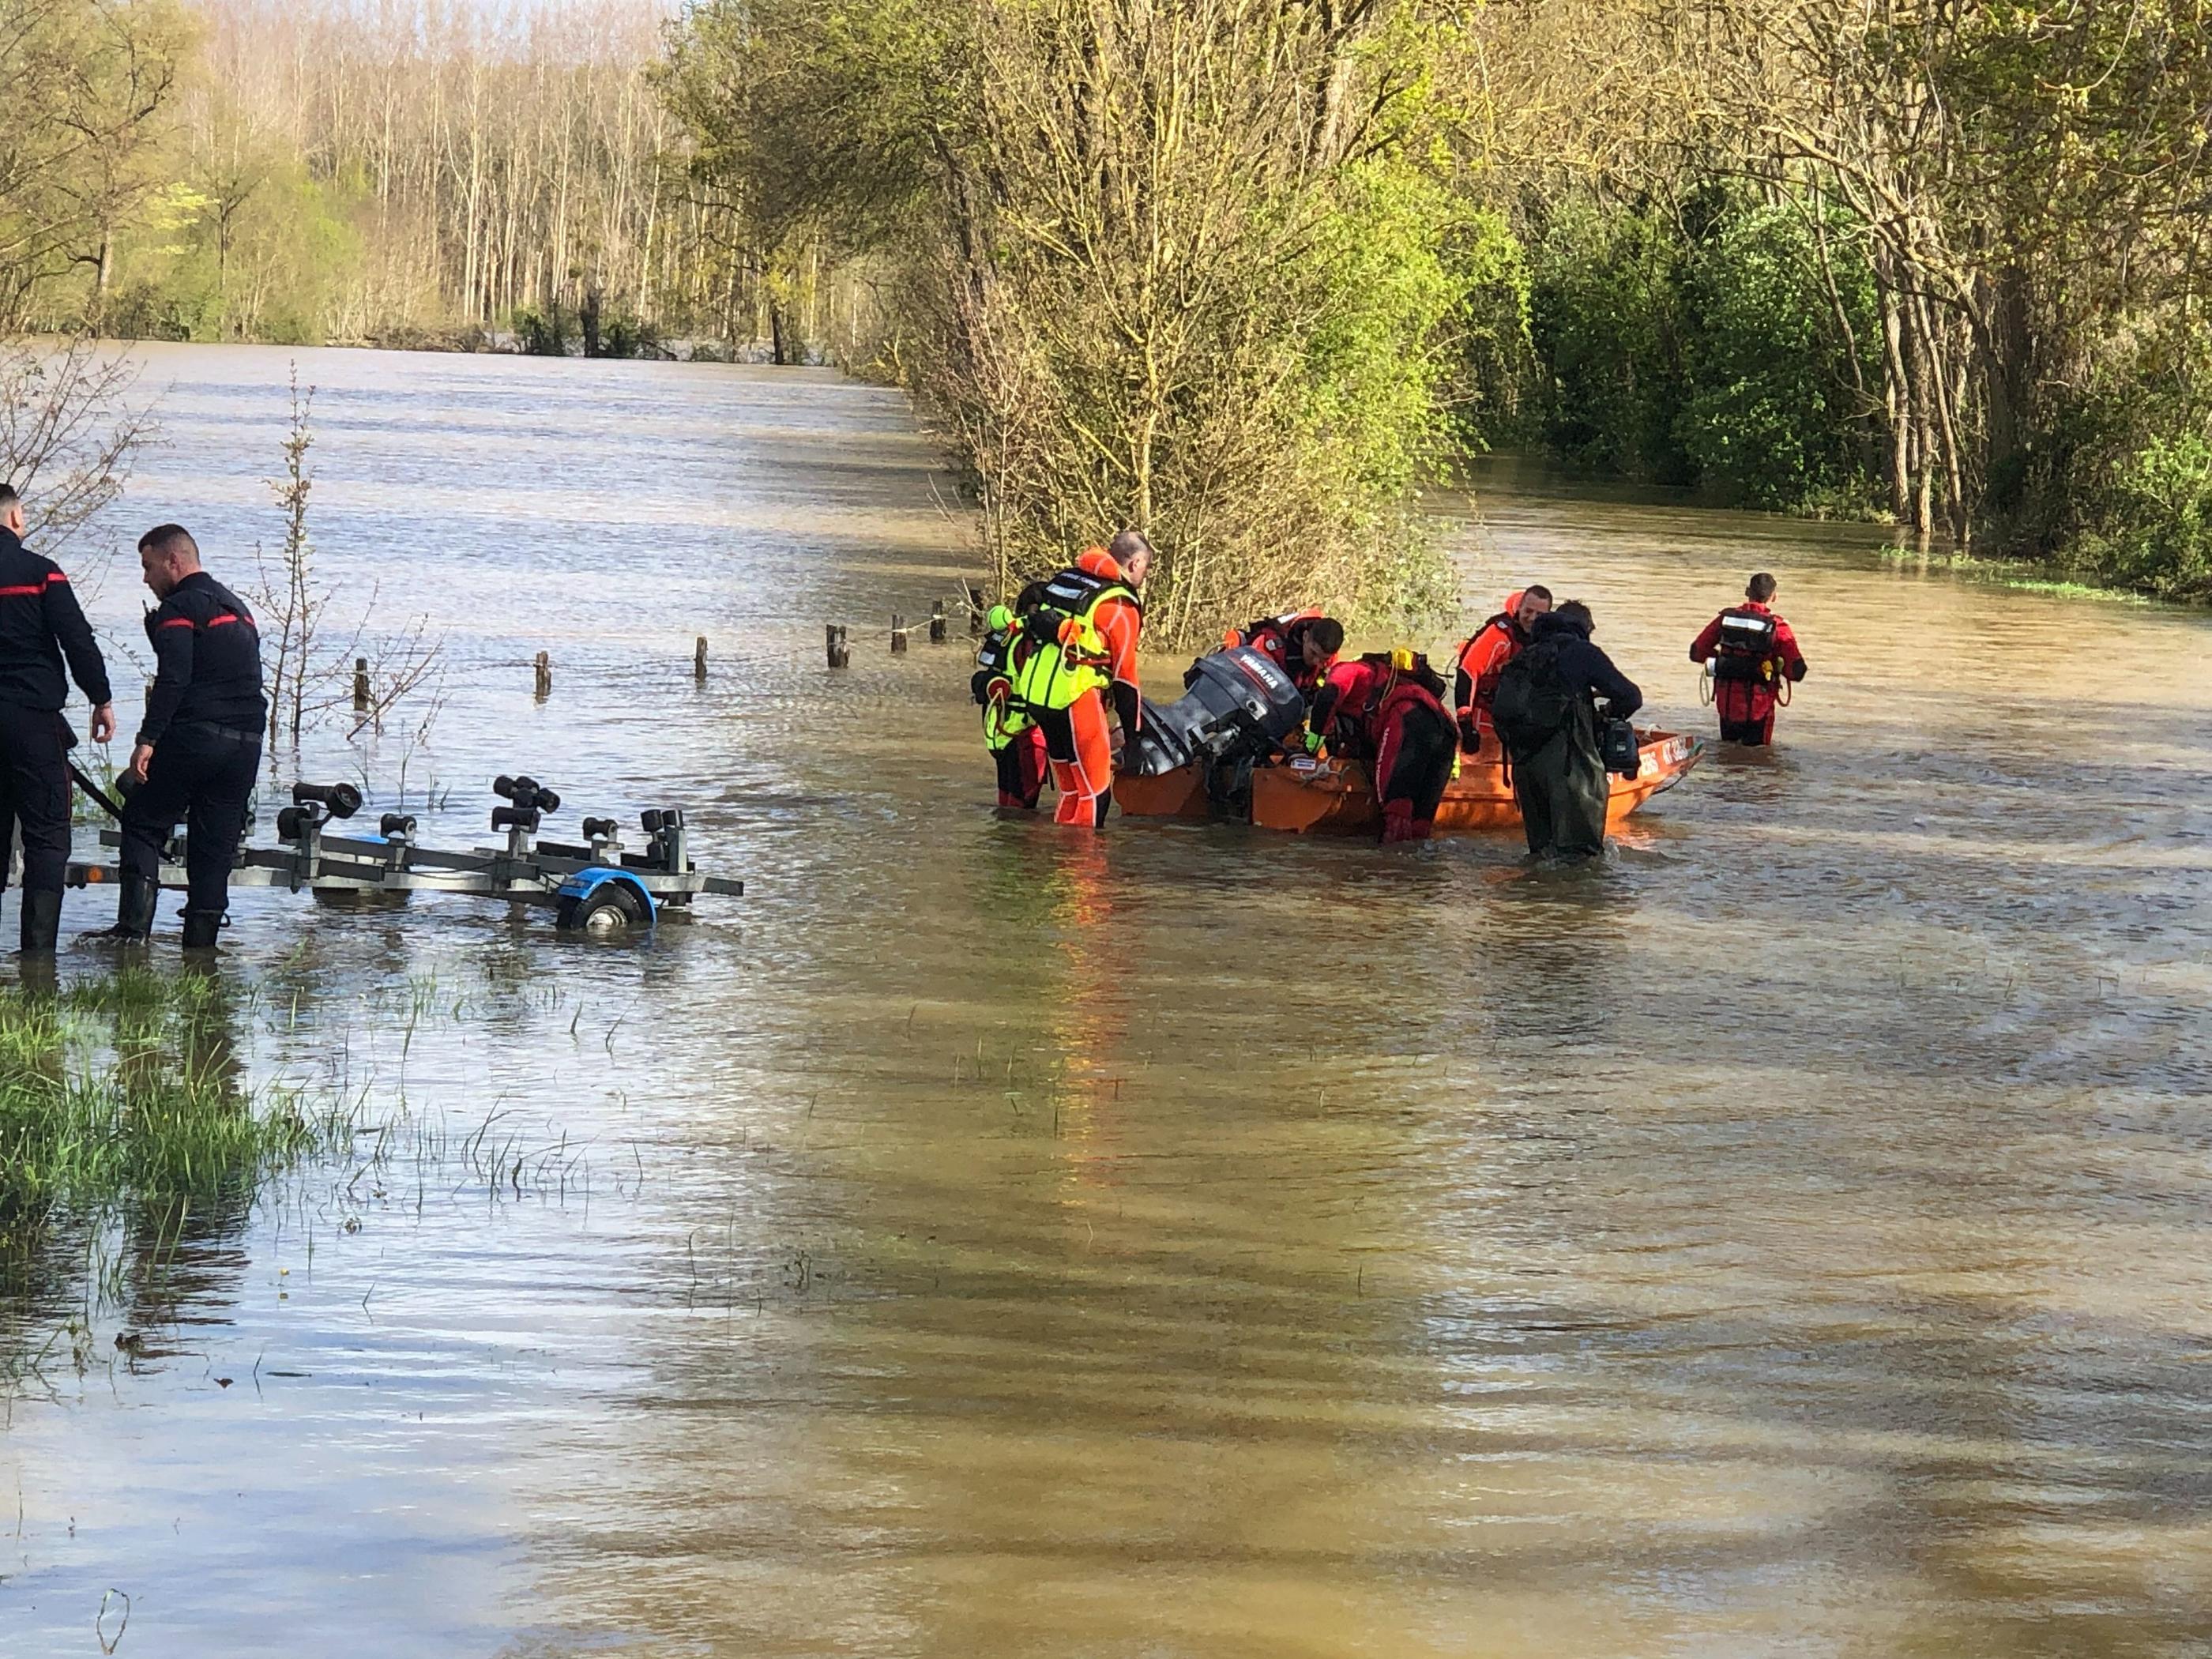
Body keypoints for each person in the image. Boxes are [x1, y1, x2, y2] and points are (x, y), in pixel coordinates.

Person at [94, 525, 267, 948]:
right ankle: (201, 951)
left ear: (174, 561)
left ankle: (131, 935)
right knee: (215, 847)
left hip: (196, 735)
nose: (146, 578)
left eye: (149, 567)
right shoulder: (238, 608)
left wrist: (147, 740)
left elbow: (174, 679)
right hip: (246, 742)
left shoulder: (179, 608)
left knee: (142, 821)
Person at [0, 483, 115, 953]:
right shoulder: (43, 574)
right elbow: (77, 640)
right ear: (14, 519)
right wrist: (101, 698)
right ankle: (37, 959)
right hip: (32, 722)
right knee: (47, 837)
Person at [1491, 599, 1642, 860]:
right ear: (1585, 628)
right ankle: (1571, 901)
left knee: (1541, 855)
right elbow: (1630, 697)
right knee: (1580, 862)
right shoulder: (1582, 652)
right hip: (1572, 771)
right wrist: (1607, 713)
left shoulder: (1525, 655)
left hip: (1526, 770)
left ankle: (1533, 900)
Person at [1019, 530, 1149, 828]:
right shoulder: (1119, 605)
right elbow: (1125, 678)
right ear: (1135, 563)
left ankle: (1060, 866)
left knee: (1070, 788)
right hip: (1076, 696)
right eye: (1146, 567)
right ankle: (1085, 871)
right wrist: (1133, 737)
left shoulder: (1067, 580)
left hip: (1039, 696)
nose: (1145, 574)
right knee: (1095, 791)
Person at [1304, 648, 1456, 843]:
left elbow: (1328, 697)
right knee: (1421, 822)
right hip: (1446, 731)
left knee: (1395, 807)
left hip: (1408, 720)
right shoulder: (1378, 682)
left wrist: (1310, 748)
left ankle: (1388, 866)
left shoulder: (1345, 670)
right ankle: (1418, 870)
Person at [1690, 572, 1808, 746]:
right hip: (1759, 705)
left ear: (1747, 591)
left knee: (1727, 754)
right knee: (1758, 758)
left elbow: (1696, 652)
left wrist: (1724, 661)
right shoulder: (1778, 627)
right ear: (1774, 597)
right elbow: (1797, 671)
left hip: (1727, 702)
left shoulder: (1726, 618)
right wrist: (1776, 667)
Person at [973, 582, 1052, 811]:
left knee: (1007, 805)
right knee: (1023, 809)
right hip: (1025, 734)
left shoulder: (1006, 636)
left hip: (1000, 733)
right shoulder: (1032, 642)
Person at [1452, 585, 1551, 754]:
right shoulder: (1499, 635)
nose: (1532, 618)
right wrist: (1466, 723)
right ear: (1519, 607)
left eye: (1540, 615)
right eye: (1528, 611)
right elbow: (1467, 672)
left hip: (1518, 720)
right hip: (1484, 717)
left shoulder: (1546, 638)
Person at [1232, 609, 1343, 696]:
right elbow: (1245, 683)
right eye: (1313, 653)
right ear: (1305, 637)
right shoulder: (1271, 646)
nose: (1316, 662)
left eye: (1323, 659)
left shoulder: (1330, 656)